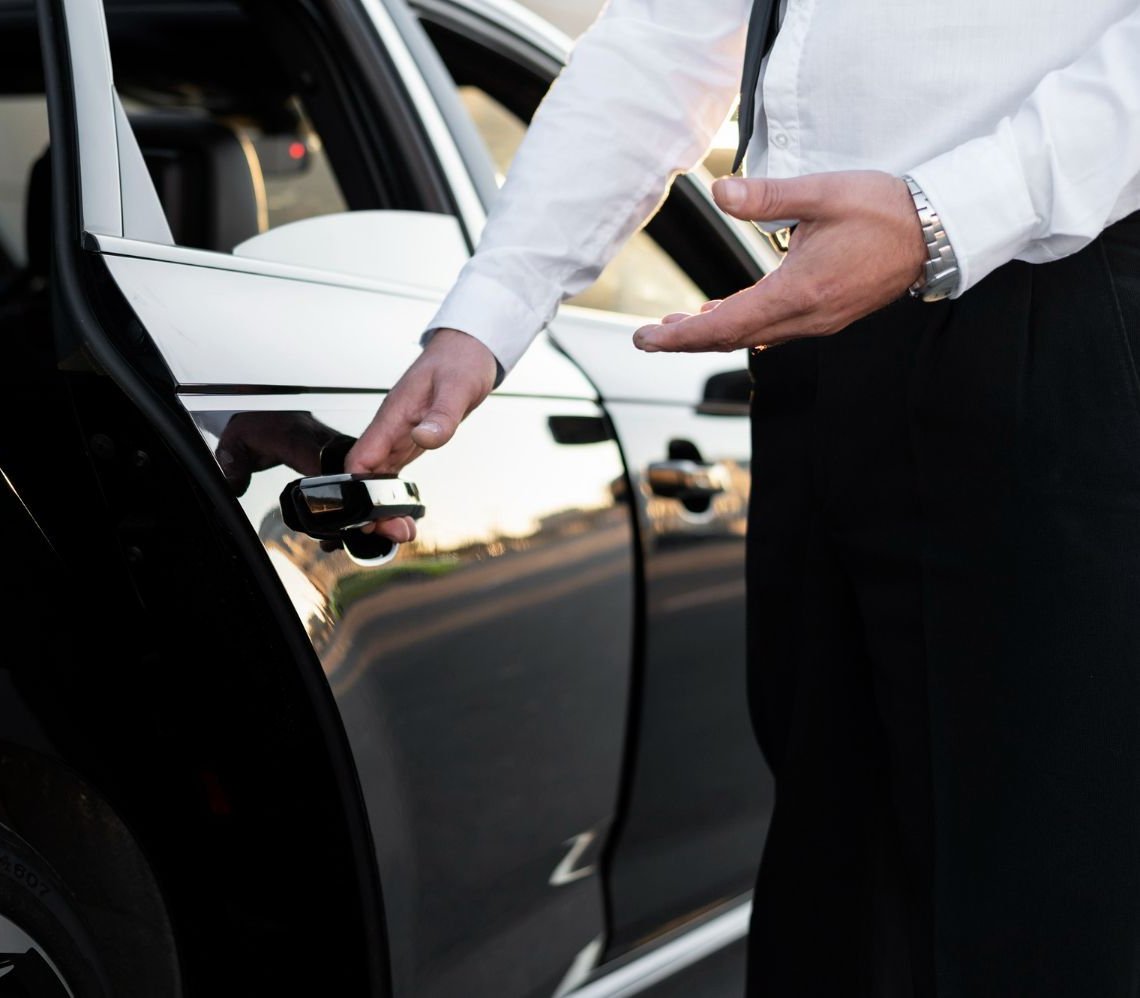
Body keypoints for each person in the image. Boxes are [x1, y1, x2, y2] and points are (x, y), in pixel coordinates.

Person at [344, 1, 1140, 994]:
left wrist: (951, 208)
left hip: (1052, 314)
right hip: (816, 351)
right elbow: (662, 43)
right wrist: (489, 311)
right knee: (833, 903)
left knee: (1053, 915)